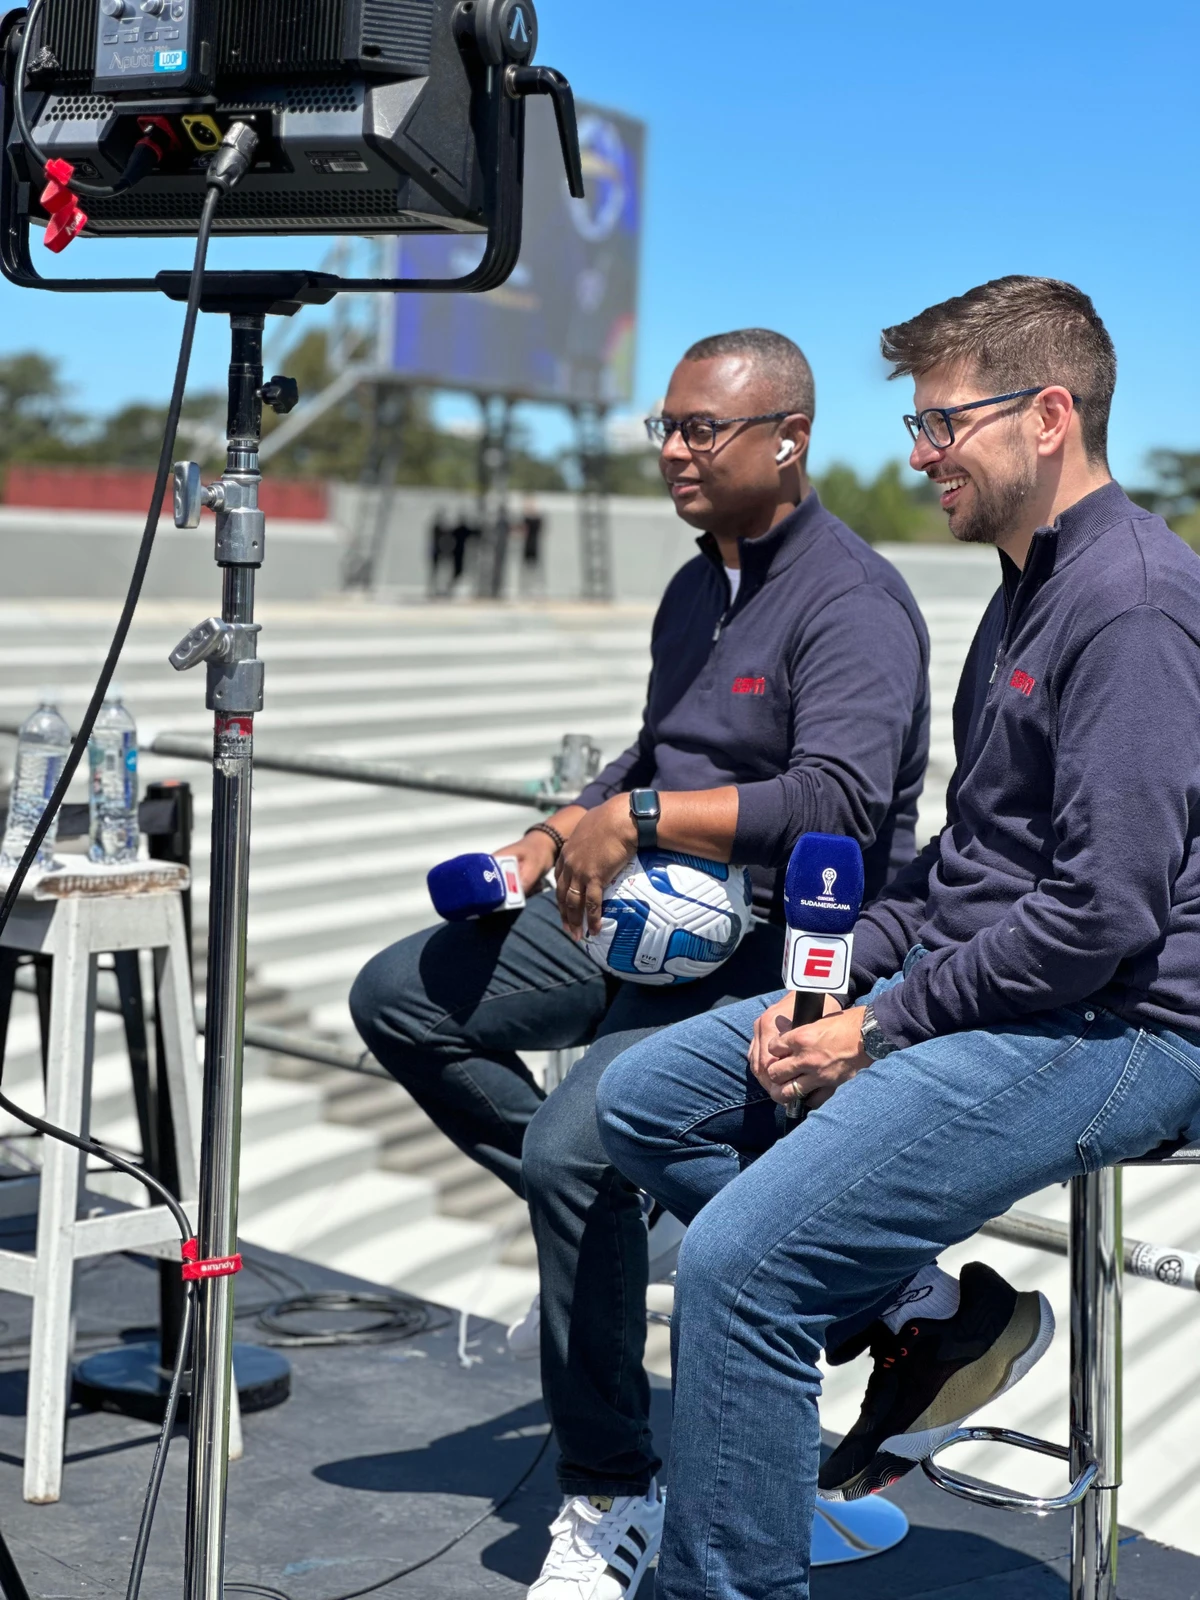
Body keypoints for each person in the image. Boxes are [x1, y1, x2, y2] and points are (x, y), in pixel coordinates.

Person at [597, 276, 1200, 1600]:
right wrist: (839, 973)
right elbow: (962, 863)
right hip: (992, 986)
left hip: (1121, 1022)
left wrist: (881, 1028)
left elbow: (1106, 915)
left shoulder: (1136, 599)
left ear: (1049, 416)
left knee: (743, 1267)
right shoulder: (1024, 590)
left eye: (943, 425)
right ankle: (922, 1312)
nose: (919, 454)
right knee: (635, 1102)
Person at [350, 327, 934, 1599]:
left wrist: (648, 822)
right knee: (401, 996)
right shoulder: (691, 585)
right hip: (642, 918)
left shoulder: (854, 598)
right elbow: (652, 753)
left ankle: (612, 1487)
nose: (672, 448)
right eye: (664, 427)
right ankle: (637, 1229)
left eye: (700, 430)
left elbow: (837, 799)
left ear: (789, 439)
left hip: (782, 944)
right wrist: (563, 824)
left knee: (572, 1147)